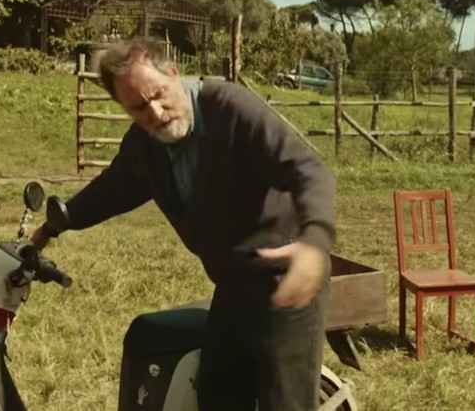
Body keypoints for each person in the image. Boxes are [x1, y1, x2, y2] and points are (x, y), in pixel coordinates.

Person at [30, 38, 337, 411]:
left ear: (174, 73)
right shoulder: (144, 146)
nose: (155, 112)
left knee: (283, 401)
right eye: (138, 107)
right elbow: (111, 191)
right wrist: (53, 226)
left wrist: (315, 242)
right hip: (232, 285)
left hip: (287, 281)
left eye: (159, 94)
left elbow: (307, 170)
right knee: (217, 395)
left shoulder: (229, 108)